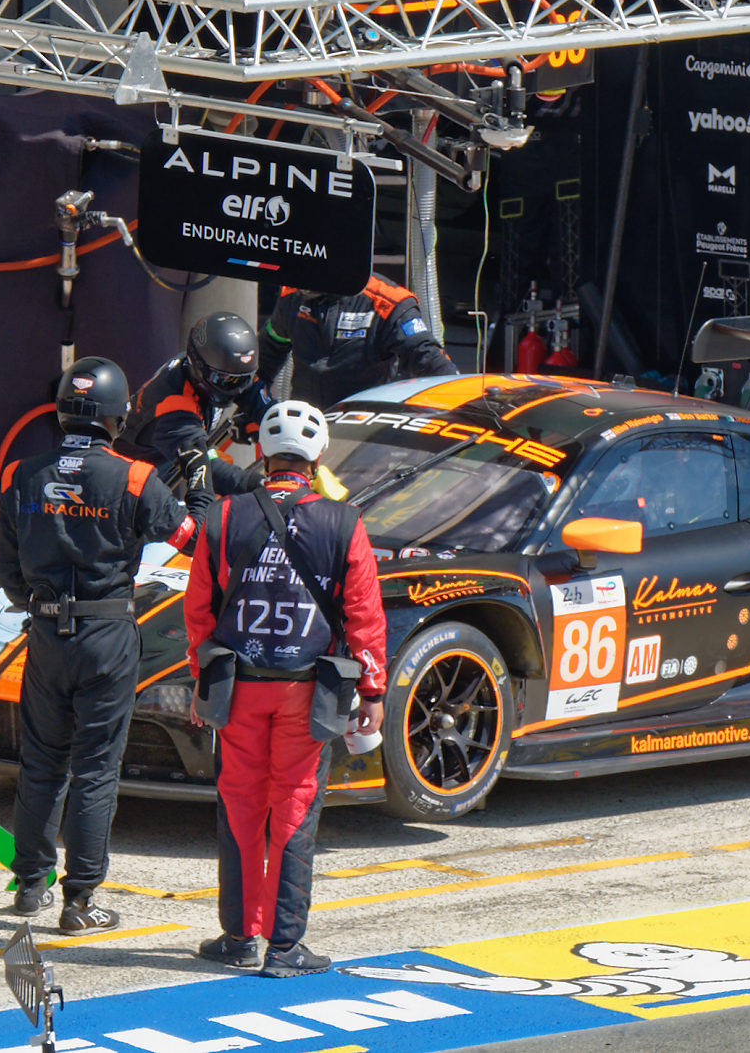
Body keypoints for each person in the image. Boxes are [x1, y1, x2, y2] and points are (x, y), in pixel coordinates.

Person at [0, 356, 211, 935]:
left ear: (64, 409)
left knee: (41, 762)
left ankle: (30, 885)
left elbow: (2, 564)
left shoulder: (21, 474)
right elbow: (193, 541)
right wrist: (203, 486)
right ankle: (80, 901)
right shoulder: (134, 477)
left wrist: (36, 605)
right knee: (95, 769)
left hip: (45, 634)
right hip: (108, 633)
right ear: (116, 417)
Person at [185, 400, 387, 977]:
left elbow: (199, 611)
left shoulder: (222, 518)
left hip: (237, 690)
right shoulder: (343, 523)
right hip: (308, 692)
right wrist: (371, 692)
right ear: (318, 457)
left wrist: (204, 683)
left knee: (240, 806)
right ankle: (284, 947)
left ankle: (240, 936)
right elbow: (364, 617)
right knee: (293, 807)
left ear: (263, 455)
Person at [124, 310, 273, 500]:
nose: (236, 389)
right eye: (226, 380)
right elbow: (201, 466)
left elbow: (253, 395)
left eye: (243, 378)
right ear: (199, 366)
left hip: (170, 466)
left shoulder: (214, 369)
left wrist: (279, 428)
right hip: (132, 488)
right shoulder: (173, 405)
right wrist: (260, 485)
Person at [257, 276, 458, 409]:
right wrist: (256, 408)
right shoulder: (291, 295)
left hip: (361, 431)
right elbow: (266, 353)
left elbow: (430, 359)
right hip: (302, 427)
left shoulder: (388, 302)